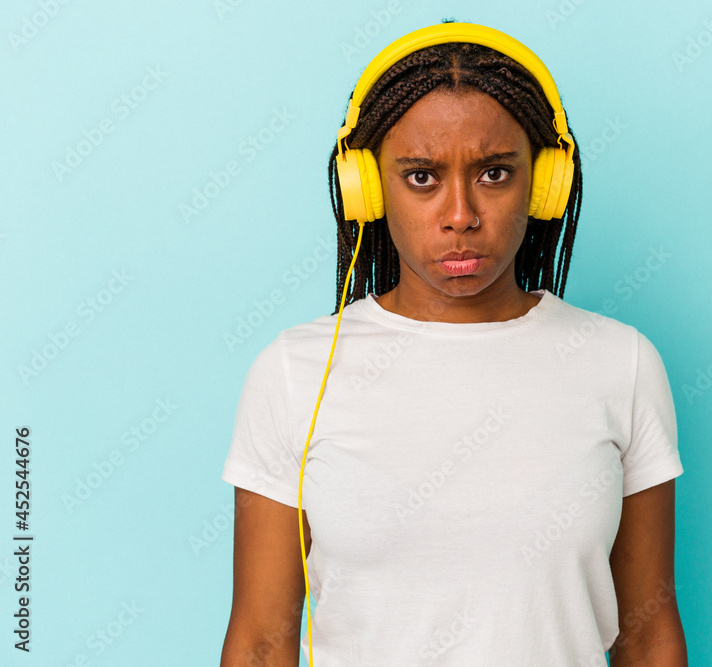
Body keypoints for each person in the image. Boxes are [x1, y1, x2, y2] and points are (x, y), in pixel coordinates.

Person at [220, 21, 687, 666]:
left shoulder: (621, 363)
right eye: (421, 177)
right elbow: (262, 642)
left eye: (495, 173)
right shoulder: (297, 373)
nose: (461, 213)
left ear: (546, 182)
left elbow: (646, 631)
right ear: (367, 186)